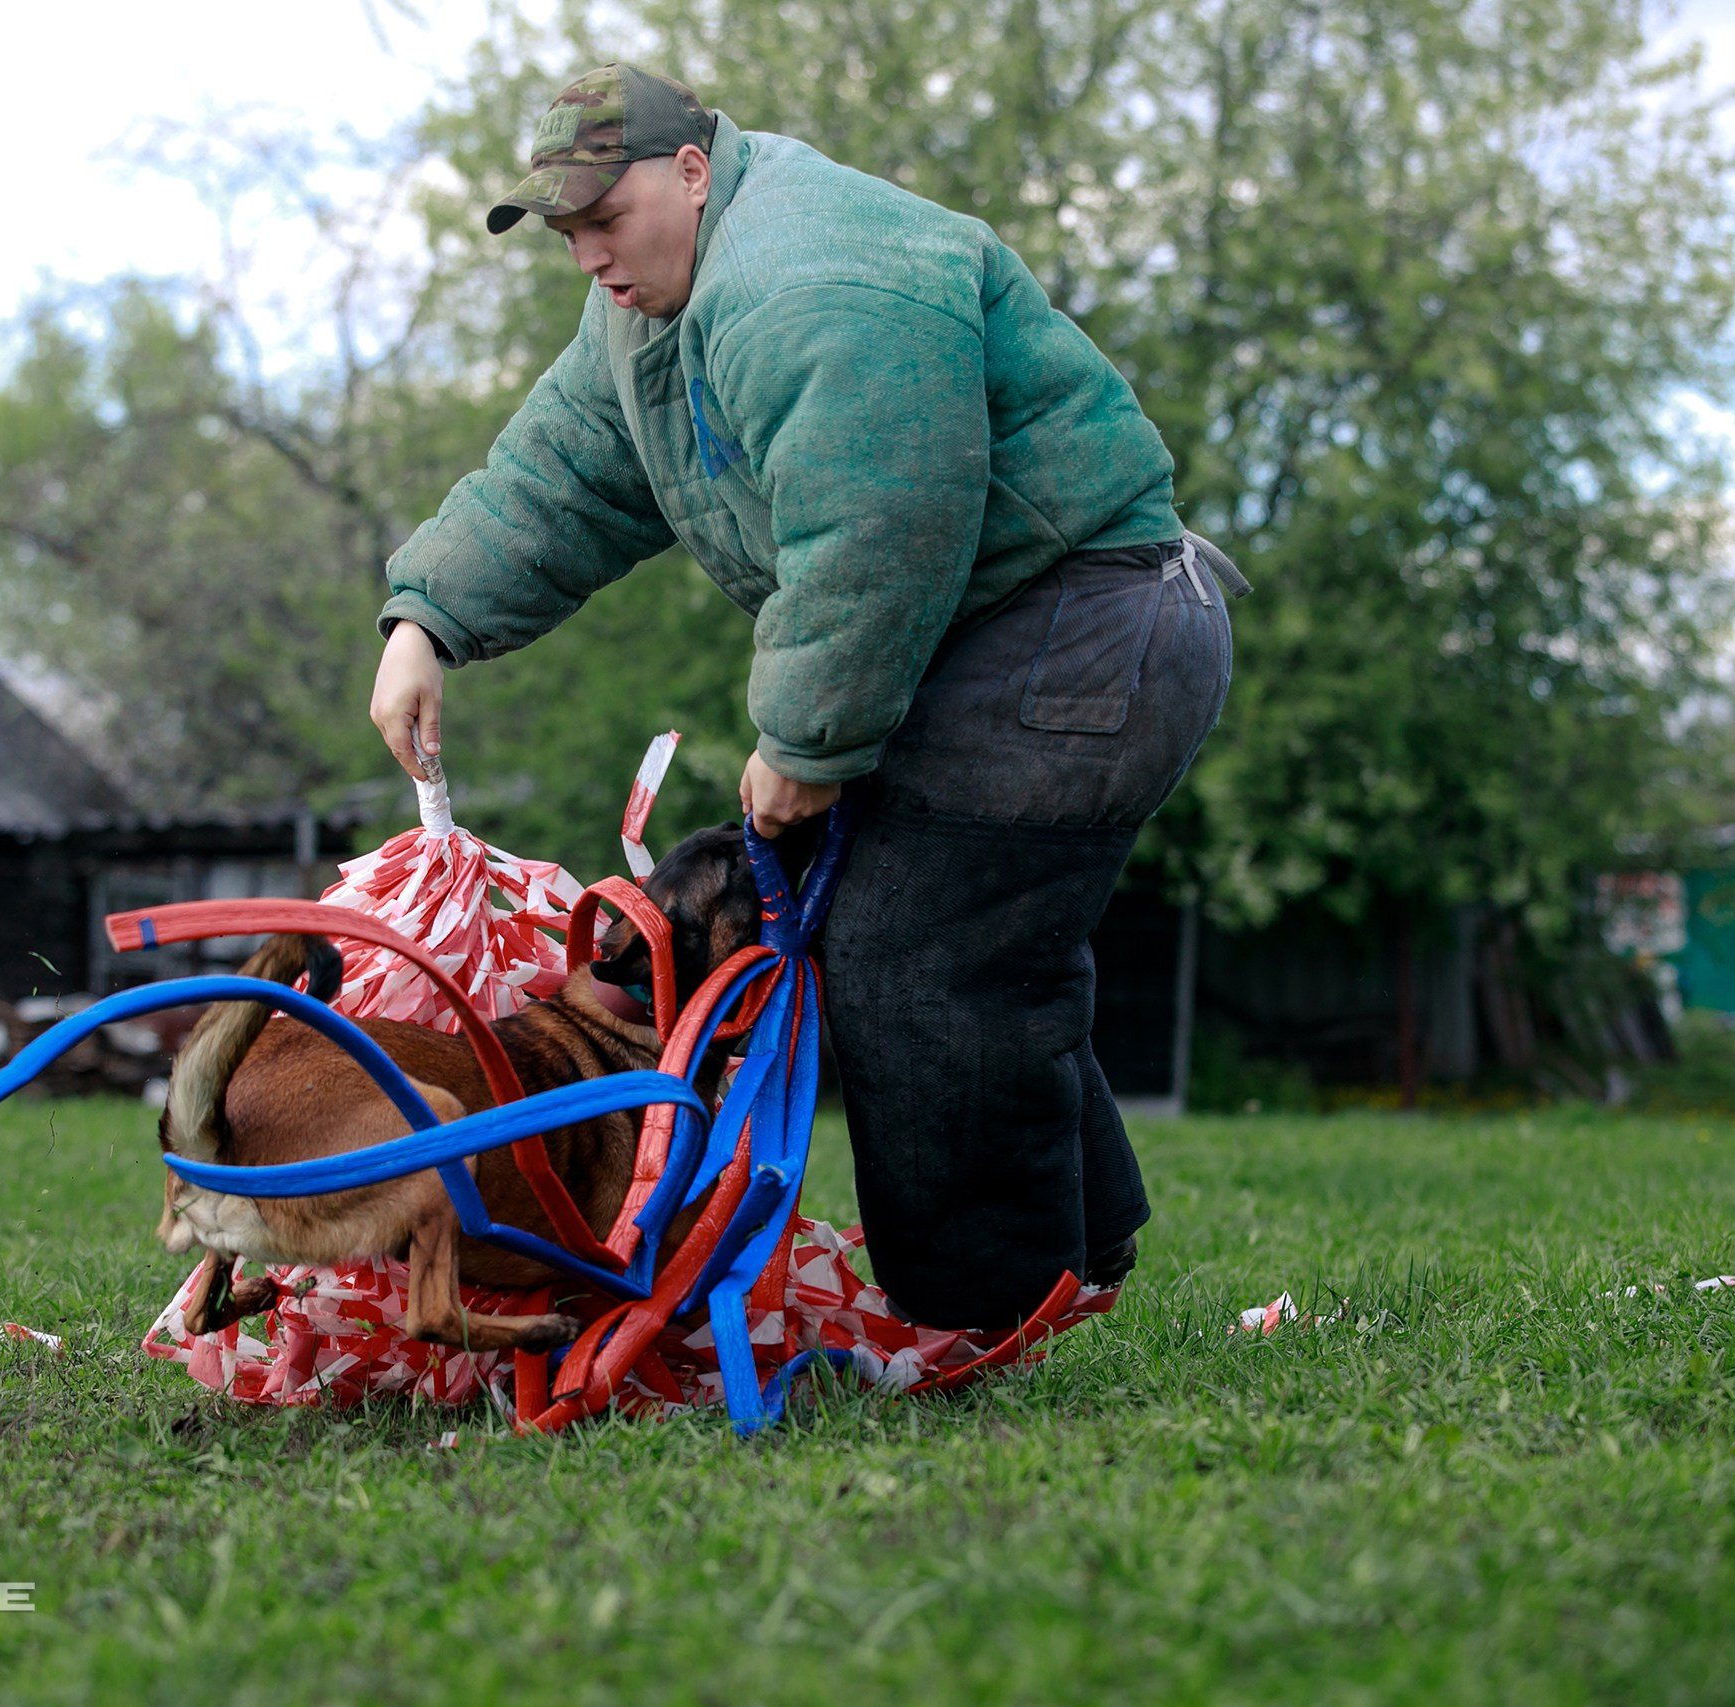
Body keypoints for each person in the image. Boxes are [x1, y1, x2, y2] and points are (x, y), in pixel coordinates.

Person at [368, 63, 1238, 1330]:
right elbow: (561, 472)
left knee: (915, 959)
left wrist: (807, 738)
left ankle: (974, 1323)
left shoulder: (813, 277)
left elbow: (884, 515)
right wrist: (425, 619)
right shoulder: (649, 313)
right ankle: (1077, 1265)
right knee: (976, 946)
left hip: (1089, 619)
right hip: (999, 632)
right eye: (568, 236)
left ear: (693, 169)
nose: (590, 258)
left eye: (605, 220)